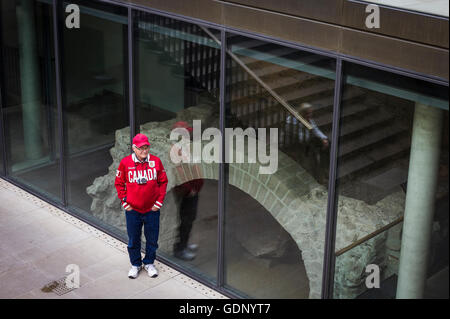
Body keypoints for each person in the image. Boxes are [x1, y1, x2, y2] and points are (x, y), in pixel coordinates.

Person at [115, 133, 168, 279]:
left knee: (152, 239)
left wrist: (159, 202)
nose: (144, 151)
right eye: (141, 148)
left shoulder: (156, 162)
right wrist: (125, 202)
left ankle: (149, 263)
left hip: (152, 210)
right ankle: (136, 264)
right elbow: (119, 183)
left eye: (146, 147)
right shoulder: (125, 163)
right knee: (133, 239)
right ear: (134, 148)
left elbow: (163, 182)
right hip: (133, 210)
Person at [170, 121, 203, 261]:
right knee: (185, 219)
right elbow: (179, 172)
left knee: (190, 219)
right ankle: (180, 248)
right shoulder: (176, 151)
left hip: (193, 190)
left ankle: (184, 244)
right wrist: (190, 190)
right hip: (185, 192)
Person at [285, 102, 329, 183]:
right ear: (303, 113)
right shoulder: (292, 121)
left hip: (307, 140)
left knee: (327, 144)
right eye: (309, 113)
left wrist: (323, 138)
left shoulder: (308, 119)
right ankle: (317, 177)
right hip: (298, 144)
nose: (311, 115)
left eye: (311, 112)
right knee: (311, 157)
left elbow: (315, 129)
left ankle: (324, 171)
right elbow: (298, 136)